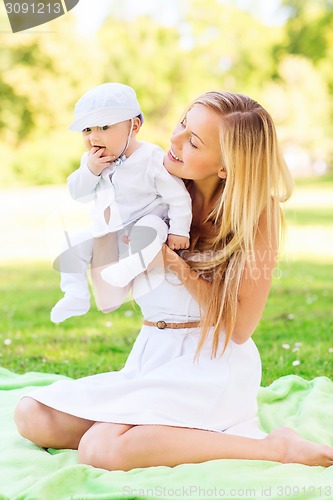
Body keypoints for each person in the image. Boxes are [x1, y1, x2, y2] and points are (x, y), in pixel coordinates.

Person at [15, 91, 333, 470]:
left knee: (100, 448)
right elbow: (108, 292)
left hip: (211, 363)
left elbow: (240, 328)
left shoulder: (255, 215)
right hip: (152, 355)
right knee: (33, 415)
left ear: (226, 168)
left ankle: (275, 448)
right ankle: (159, 434)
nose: (174, 140)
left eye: (193, 141)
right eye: (182, 123)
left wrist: (175, 264)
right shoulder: (153, 187)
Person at [51, 82, 191, 324]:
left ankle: (130, 267)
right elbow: (77, 193)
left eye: (104, 127)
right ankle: (75, 294)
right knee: (72, 246)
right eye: (87, 130)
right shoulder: (91, 161)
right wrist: (91, 171)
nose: (94, 137)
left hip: (144, 228)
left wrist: (179, 229)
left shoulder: (151, 158)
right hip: (108, 234)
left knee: (152, 227)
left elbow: (177, 196)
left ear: (133, 126)